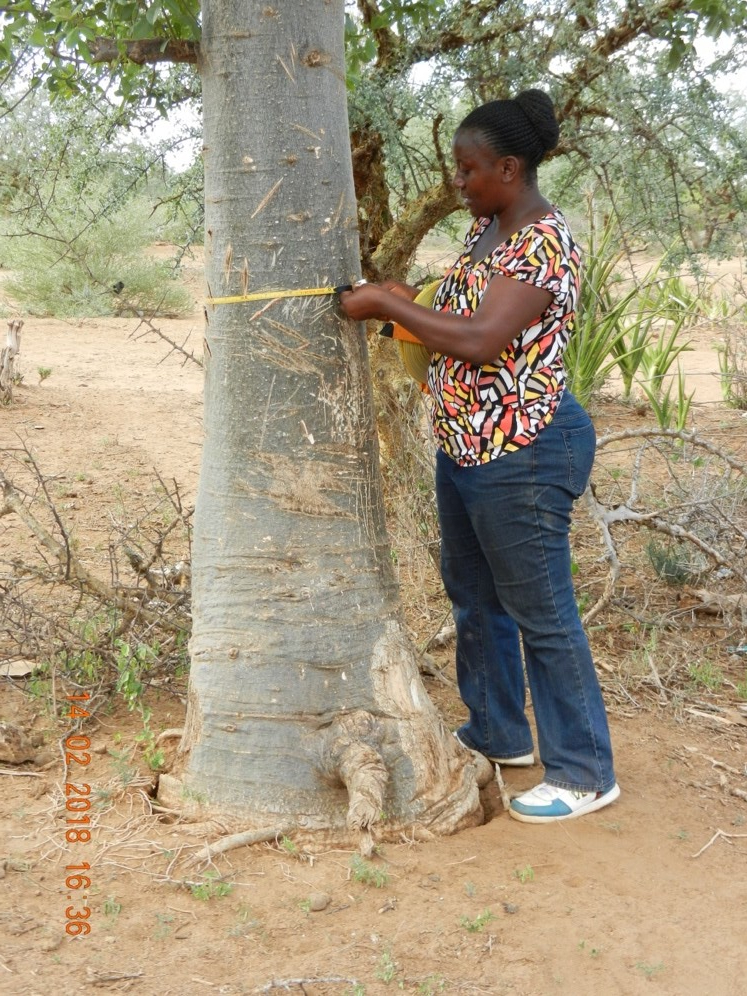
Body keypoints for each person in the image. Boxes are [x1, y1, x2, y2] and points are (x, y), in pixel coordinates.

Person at [339, 89, 619, 823]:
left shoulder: (542, 240)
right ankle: (498, 732)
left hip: (523, 450)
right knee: (474, 596)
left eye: (466, 171)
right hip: (468, 446)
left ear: (508, 165)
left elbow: (480, 340)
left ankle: (586, 771)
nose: (457, 184)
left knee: (542, 612)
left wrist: (386, 306)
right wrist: (404, 297)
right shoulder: (489, 230)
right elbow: (457, 319)